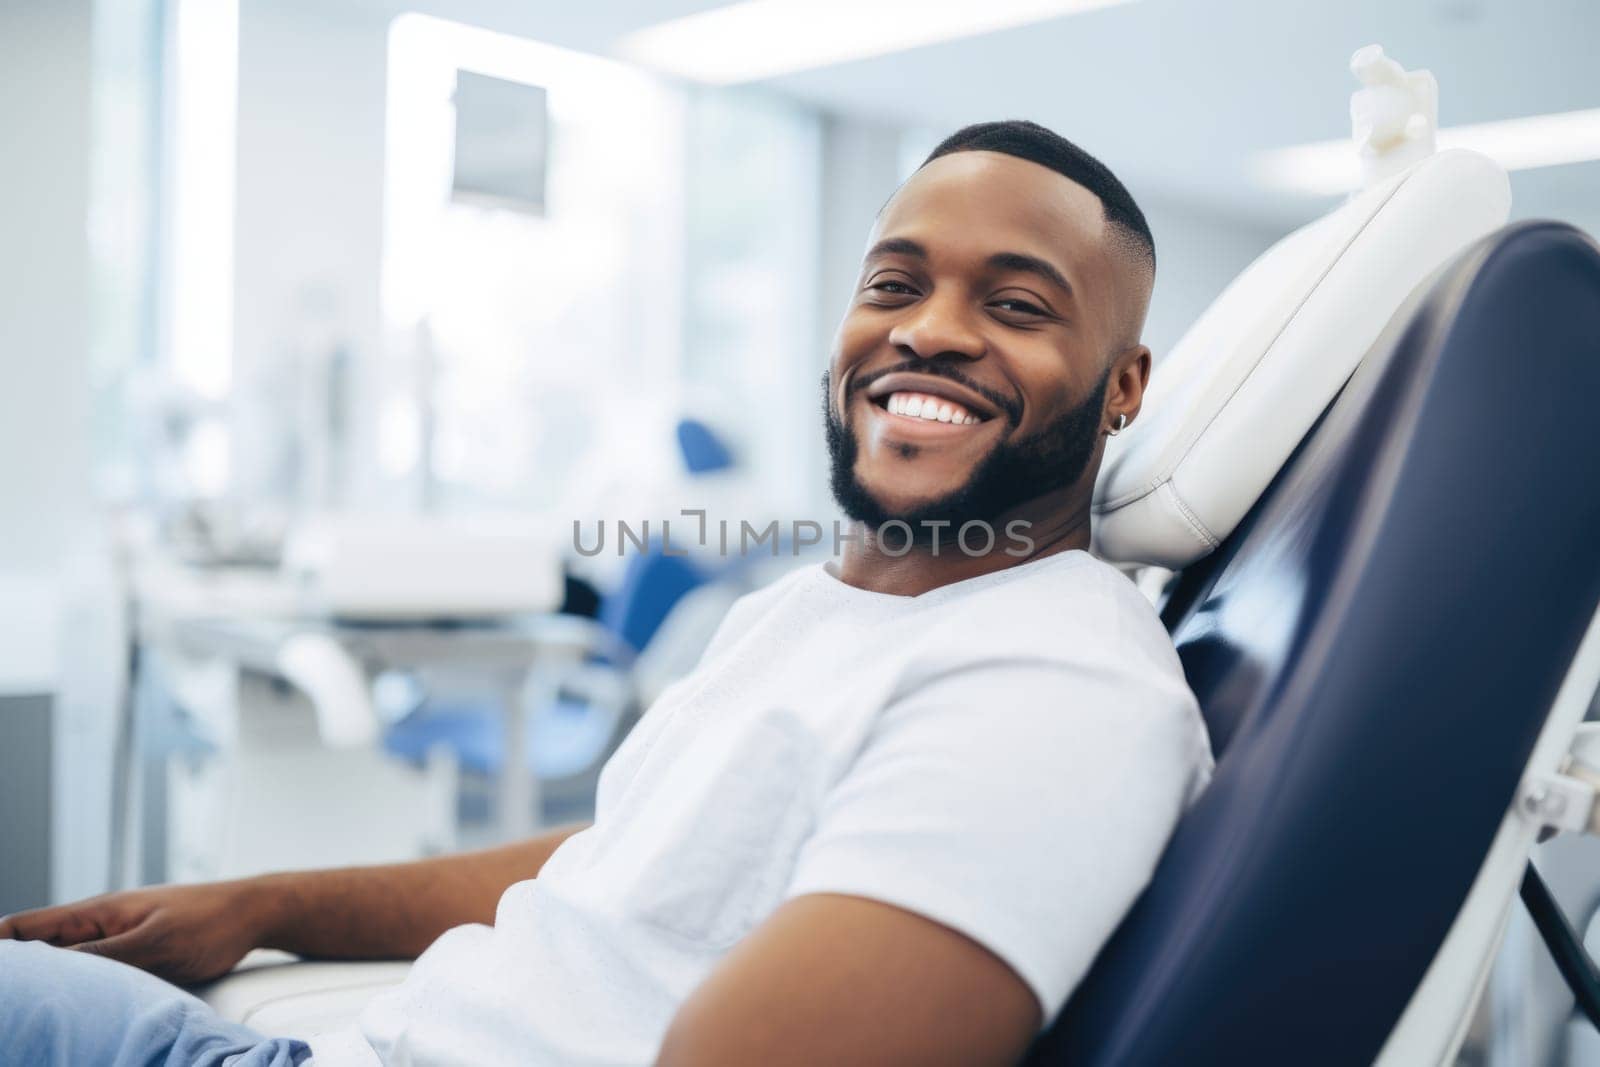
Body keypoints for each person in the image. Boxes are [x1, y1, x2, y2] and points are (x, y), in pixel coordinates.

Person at [0, 120, 1213, 1067]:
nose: (928, 333)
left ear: (1124, 384)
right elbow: (631, 853)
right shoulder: (814, 607)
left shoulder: (1055, 690)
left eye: (1015, 303)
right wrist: (264, 902)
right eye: (894, 285)